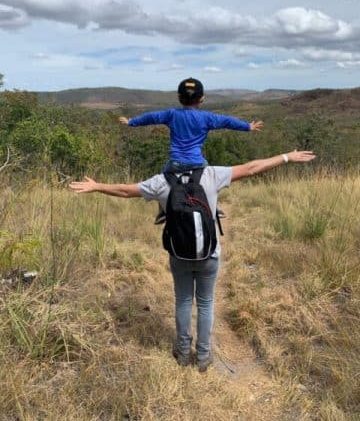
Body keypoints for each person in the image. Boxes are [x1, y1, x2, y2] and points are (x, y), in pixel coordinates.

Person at [69, 149, 315, 372]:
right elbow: (252, 167)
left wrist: (97, 185)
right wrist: (285, 157)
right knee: (206, 303)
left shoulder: (161, 181)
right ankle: (204, 356)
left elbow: (125, 190)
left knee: (184, 301)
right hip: (209, 255)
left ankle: (183, 352)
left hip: (179, 255)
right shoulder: (211, 175)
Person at [119, 78, 264, 224]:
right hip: (198, 164)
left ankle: (162, 210)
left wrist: (131, 122)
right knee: (211, 181)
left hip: (175, 163)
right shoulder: (207, 118)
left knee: (164, 177)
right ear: (202, 99)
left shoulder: (172, 114)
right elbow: (227, 121)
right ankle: (214, 207)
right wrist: (247, 127)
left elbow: (151, 117)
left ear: (179, 97)